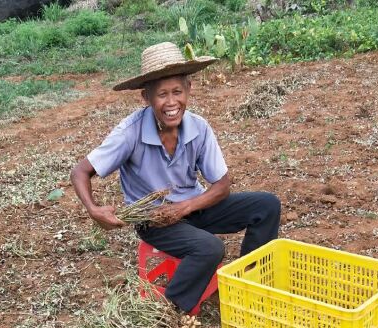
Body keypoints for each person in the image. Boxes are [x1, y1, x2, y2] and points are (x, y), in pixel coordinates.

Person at [71, 42, 281, 313]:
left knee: (266, 206)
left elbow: (222, 185)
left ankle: (250, 284)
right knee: (210, 248)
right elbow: (81, 171)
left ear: (189, 89)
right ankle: (170, 312)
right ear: (146, 97)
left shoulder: (198, 127)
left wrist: (186, 207)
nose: (171, 103)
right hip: (155, 221)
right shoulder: (130, 133)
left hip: (193, 208)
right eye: (161, 95)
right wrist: (94, 209)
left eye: (177, 92)